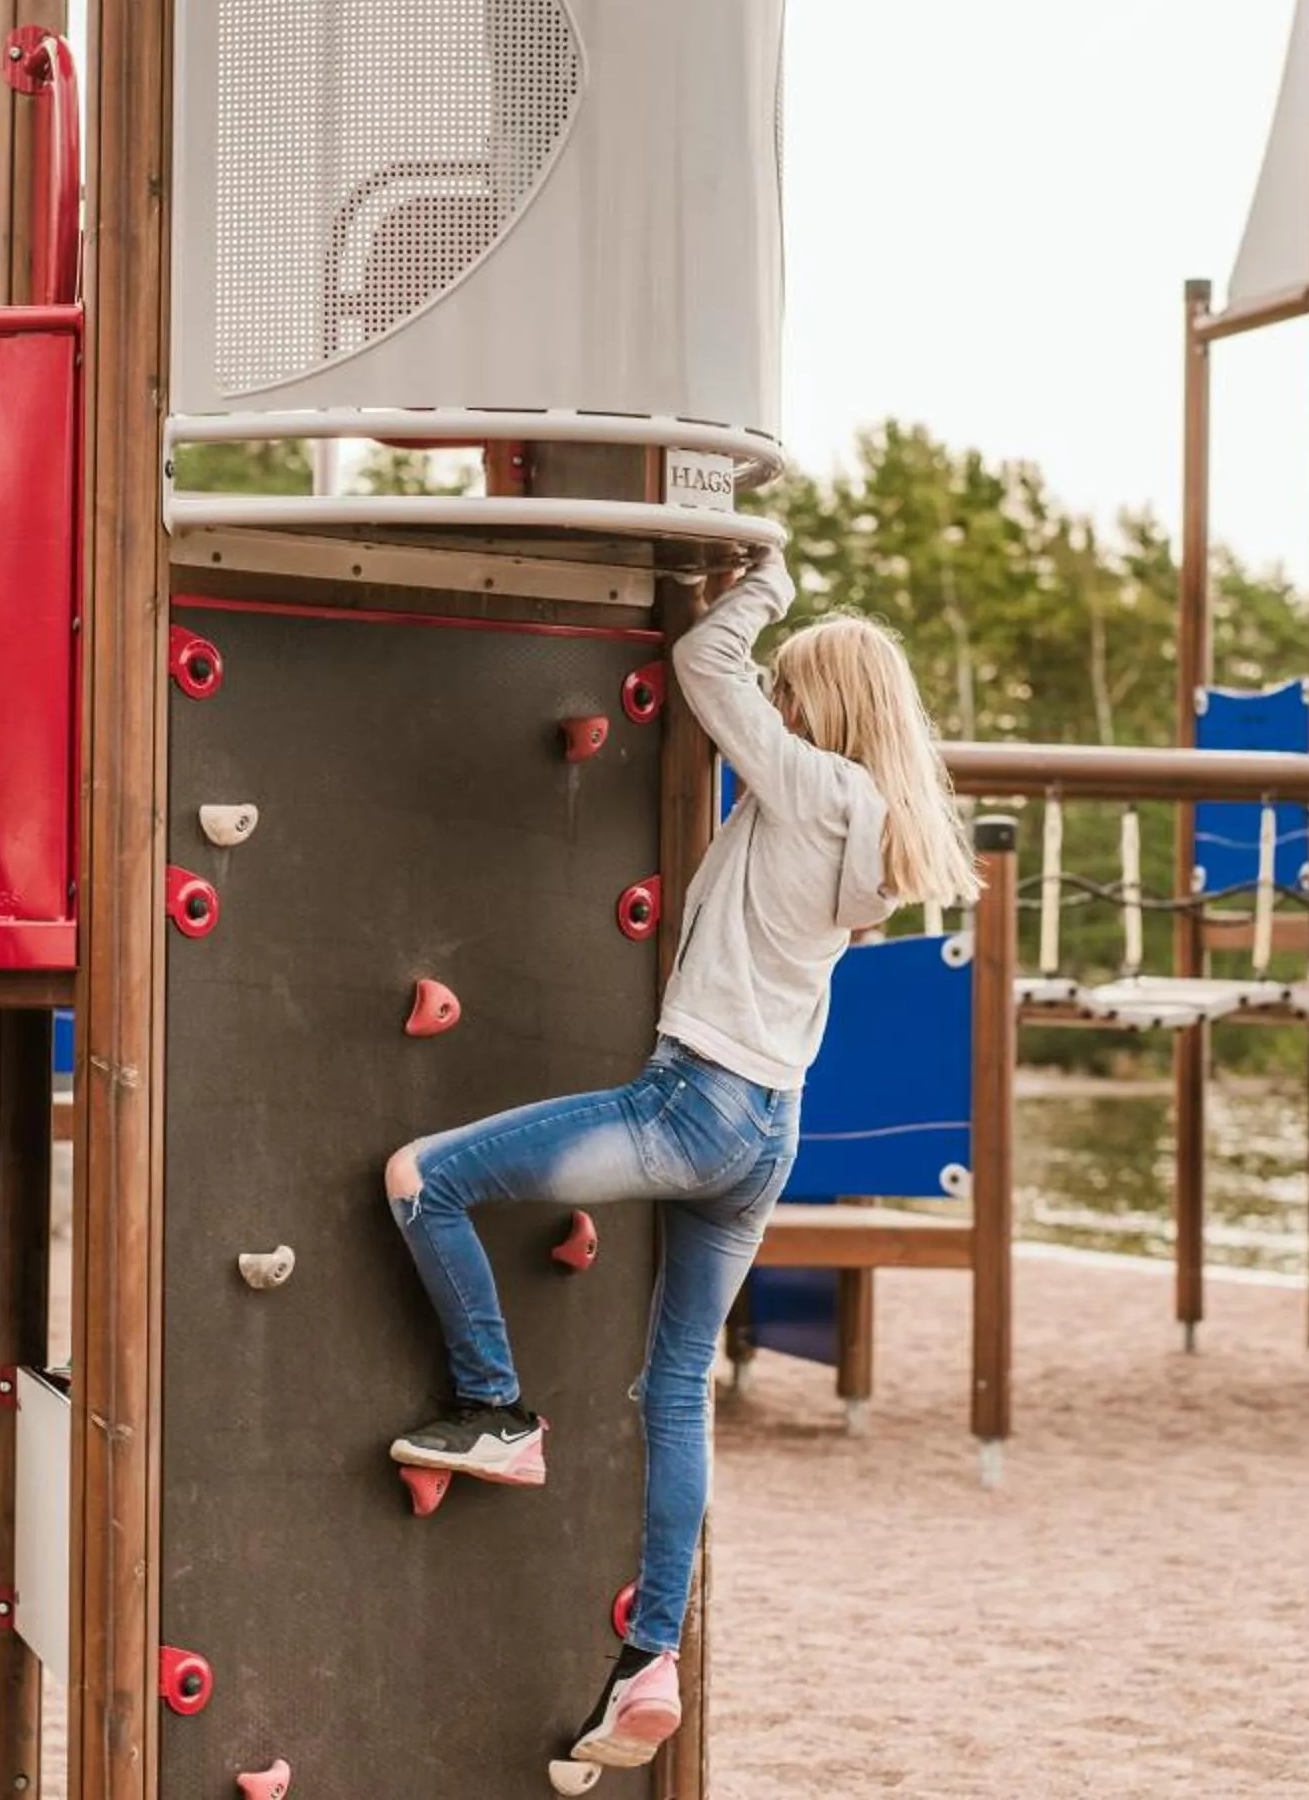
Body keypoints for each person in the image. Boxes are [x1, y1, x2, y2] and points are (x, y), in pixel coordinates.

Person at [378, 541, 980, 1774]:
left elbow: (706, 661)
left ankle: (493, 1405)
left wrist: (762, 581)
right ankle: (649, 1657)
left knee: (421, 1177)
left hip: (691, 1105)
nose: (779, 704)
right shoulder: (871, 840)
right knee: (675, 1388)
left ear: (823, 709)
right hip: (768, 1136)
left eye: (794, 689)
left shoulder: (812, 784)